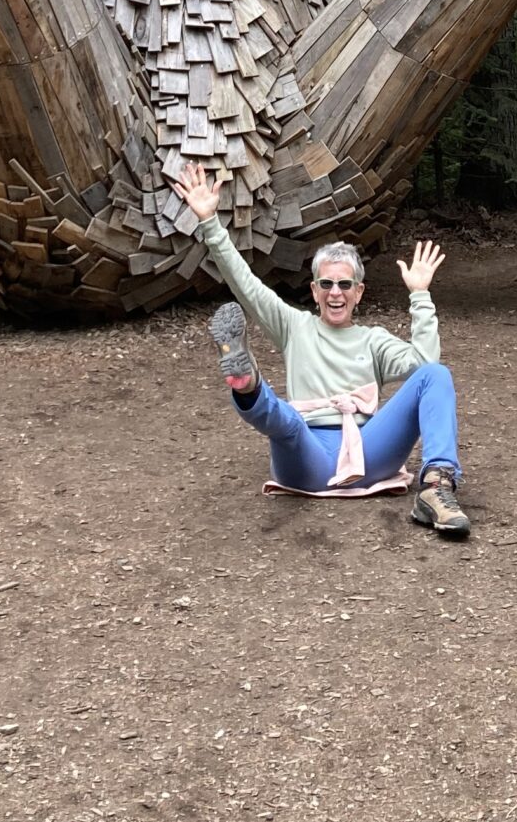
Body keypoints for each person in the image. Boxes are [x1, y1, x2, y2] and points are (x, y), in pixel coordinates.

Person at [175, 159, 471, 538]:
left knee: (437, 374)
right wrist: (210, 224)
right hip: (306, 455)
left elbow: (425, 363)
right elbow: (245, 285)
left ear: (358, 293)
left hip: (368, 452)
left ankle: (437, 489)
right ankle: (246, 382)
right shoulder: (294, 325)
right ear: (314, 291)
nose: (335, 292)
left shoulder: (373, 339)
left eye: (345, 285)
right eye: (326, 284)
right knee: (286, 421)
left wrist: (420, 296)